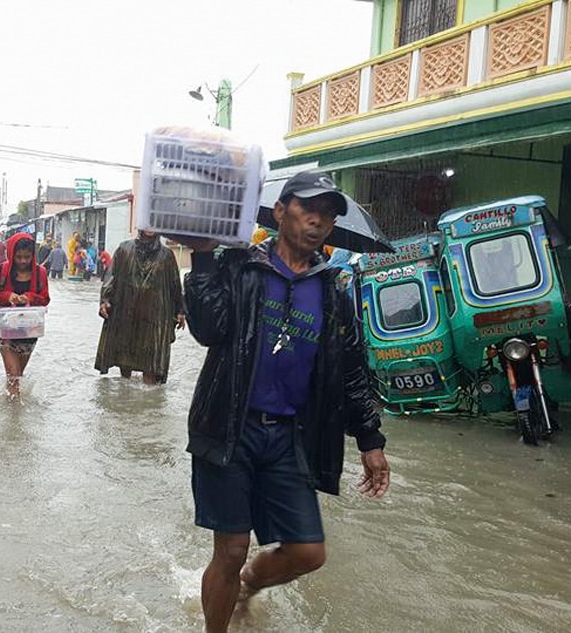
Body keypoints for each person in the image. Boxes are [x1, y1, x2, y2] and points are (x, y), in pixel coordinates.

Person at [181, 171, 390, 633]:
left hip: (290, 436)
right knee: (230, 548)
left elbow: (351, 368)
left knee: (308, 552)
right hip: (229, 428)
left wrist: (370, 440)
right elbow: (206, 330)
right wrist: (202, 258)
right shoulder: (242, 266)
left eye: (329, 213)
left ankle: (249, 585)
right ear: (280, 211)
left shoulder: (333, 292)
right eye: (308, 208)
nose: (318, 220)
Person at [94, 231, 185, 385]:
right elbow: (111, 276)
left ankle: (149, 402)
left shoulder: (166, 255)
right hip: (126, 311)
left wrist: (180, 310)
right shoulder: (124, 249)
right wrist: (105, 300)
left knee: (152, 364)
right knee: (124, 358)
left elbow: (174, 284)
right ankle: (124, 396)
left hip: (154, 316)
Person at [0, 233, 50, 397]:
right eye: (19, 257)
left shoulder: (40, 273)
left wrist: (30, 297)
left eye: (27, 257)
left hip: (29, 331)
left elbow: (45, 299)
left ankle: (12, 407)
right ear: (12, 254)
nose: (23, 261)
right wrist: (8, 296)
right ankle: (14, 417)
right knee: (14, 376)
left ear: (33, 256)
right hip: (6, 330)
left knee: (18, 375)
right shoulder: (2, 270)